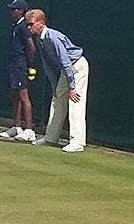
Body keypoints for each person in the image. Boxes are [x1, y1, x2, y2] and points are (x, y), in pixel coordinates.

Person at [25, 9, 89, 152]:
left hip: (77, 67)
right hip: (66, 71)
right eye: (28, 25)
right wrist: (55, 86)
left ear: (41, 23)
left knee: (75, 102)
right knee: (57, 100)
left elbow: (65, 62)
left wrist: (72, 87)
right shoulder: (39, 39)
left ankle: (77, 142)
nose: (29, 27)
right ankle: (51, 138)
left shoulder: (53, 37)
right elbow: (47, 65)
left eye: (31, 24)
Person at [0, 0, 36, 142]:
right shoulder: (15, 26)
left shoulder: (23, 27)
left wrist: (27, 64)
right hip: (13, 64)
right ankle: (17, 127)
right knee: (15, 96)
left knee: (24, 96)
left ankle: (29, 130)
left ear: (20, 11)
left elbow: (31, 47)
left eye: (14, 9)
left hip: (20, 65)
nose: (11, 12)